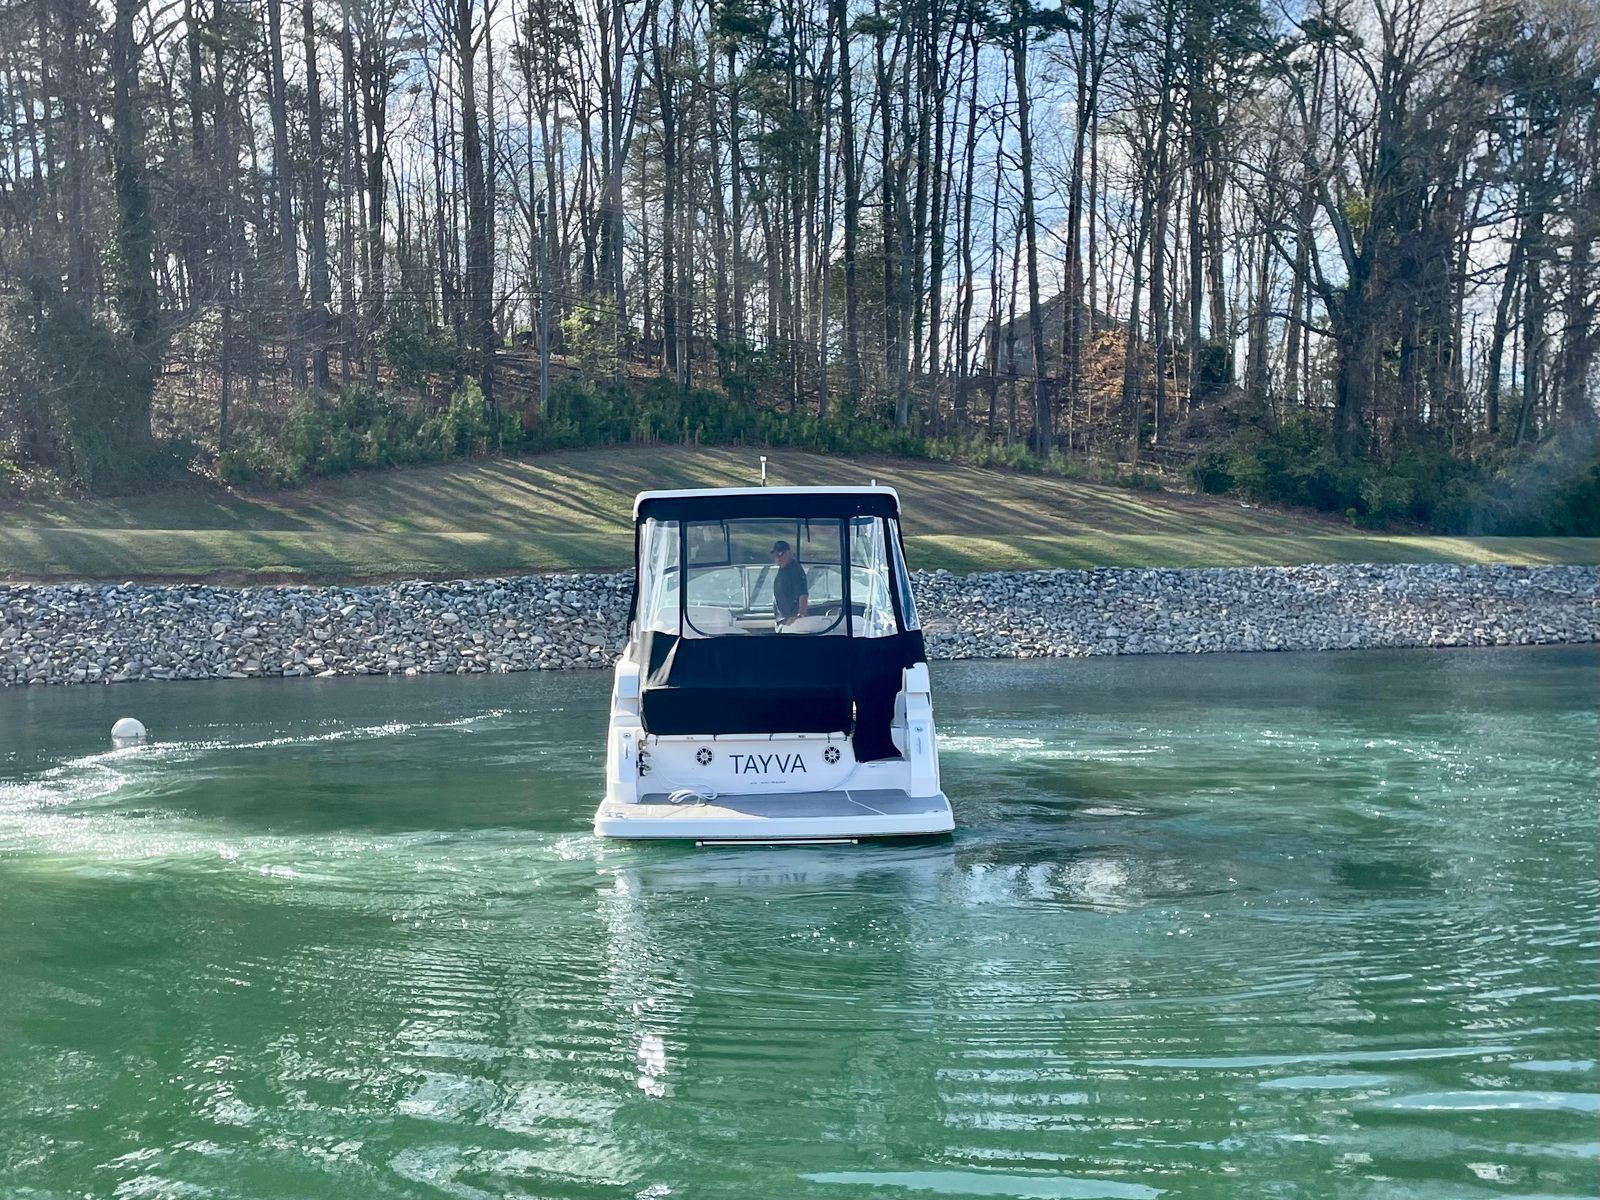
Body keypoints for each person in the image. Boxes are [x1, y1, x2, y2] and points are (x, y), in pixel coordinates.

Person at [770, 540, 809, 626]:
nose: (778, 558)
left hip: (791, 621)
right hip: (783, 620)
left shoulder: (795, 570)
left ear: (788, 553)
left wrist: (800, 615)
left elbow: (803, 594)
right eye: (775, 555)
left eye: (781, 554)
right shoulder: (783, 568)